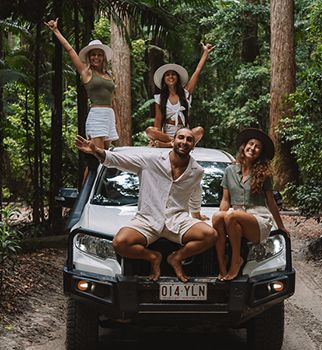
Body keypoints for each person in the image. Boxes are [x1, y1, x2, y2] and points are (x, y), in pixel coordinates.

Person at [75, 127, 217, 282]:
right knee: (120, 243)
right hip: (147, 218)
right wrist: (96, 150)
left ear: (193, 145)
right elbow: (118, 160)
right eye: (181, 138)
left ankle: (176, 258)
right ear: (173, 141)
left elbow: (195, 192)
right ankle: (153, 257)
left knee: (210, 235)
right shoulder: (150, 161)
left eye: (189, 139)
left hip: (177, 219)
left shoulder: (197, 170)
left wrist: (195, 215)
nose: (184, 142)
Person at [212, 128, 289, 281]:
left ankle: (236, 260)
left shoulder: (264, 174)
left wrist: (281, 227)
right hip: (235, 219)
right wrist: (221, 218)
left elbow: (271, 202)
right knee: (217, 217)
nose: (253, 148)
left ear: (260, 153)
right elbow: (226, 200)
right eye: (251, 144)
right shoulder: (230, 171)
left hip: (258, 219)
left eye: (257, 147)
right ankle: (222, 268)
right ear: (244, 146)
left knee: (231, 215)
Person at [45, 18, 119, 150]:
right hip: (97, 114)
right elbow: (70, 50)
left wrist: (116, 120)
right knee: (98, 156)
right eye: (93, 55)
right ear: (89, 57)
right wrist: (56, 31)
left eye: (99, 55)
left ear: (103, 58)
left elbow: (113, 99)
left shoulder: (109, 74)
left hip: (109, 115)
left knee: (107, 157)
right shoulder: (86, 72)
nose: (96, 57)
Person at [146, 42, 215, 148]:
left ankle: (170, 145)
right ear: (164, 79)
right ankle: (173, 142)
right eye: (167, 75)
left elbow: (197, 71)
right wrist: (156, 137)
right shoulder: (159, 98)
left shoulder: (185, 93)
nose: (171, 77)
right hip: (167, 135)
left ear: (177, 77)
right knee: (150, 130)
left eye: (173, 74)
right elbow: (158, 120)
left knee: (199, 130)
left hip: (184, 134)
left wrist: (205, 53)